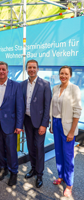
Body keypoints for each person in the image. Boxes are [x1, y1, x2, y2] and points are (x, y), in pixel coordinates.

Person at [0, 61, 24, 186]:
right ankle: (3, 168)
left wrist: (19, 125)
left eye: (3, 69)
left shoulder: (16, 86)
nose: (1, 71)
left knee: (11, 150)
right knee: (0, 149)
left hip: (11, 125)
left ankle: (14, 172)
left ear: (7, 71)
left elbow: (20, 107)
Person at [49, 66, 82, 197]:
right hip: (56, 124)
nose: (63, 76)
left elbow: (77, 111)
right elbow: (54, 108)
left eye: (66, 74)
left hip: (67, 126)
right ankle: (61, 176)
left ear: (70, 75)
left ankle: (69, 184)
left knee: (68, 156)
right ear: (59, 75)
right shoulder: (55, 88)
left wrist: (72, 131)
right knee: (58, 152)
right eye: (61, 73)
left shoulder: (74, 89)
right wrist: (52, 124)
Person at [21, 60, 52, 188]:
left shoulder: (45, 84)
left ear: (38, 69)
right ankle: (33, 169)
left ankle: (39, 174)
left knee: (39, 148)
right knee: (30, 147)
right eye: (29, 67)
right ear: (26, 69)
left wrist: (44, 124)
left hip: (39, 122)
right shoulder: (22, 85)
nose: (32, 69)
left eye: (34, 67)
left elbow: (47, 106)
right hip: (27, 120)